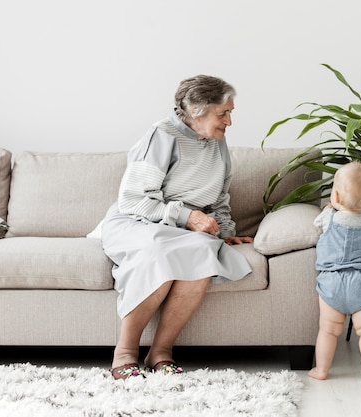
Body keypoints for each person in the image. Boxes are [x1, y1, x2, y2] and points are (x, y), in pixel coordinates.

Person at [101, 75, 253, 380]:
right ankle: (125, 353)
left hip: (182, 230)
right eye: (223, 113)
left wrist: (223, 230)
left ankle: (161, 352)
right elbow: (133, 201)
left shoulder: (218, 144)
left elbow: (219, 198)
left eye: (231, 112)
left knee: (203, 251)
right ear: (197, 110)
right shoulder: (162, 135)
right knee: (157, 251)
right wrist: (186, 216)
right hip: (138, 221)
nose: (230, 121)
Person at [308, 161, 361, 382]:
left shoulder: (328, 218)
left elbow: (317, 223)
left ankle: (321, 370)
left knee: (327, 330)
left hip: (331, 284)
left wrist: (329, 207)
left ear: (335, 197)